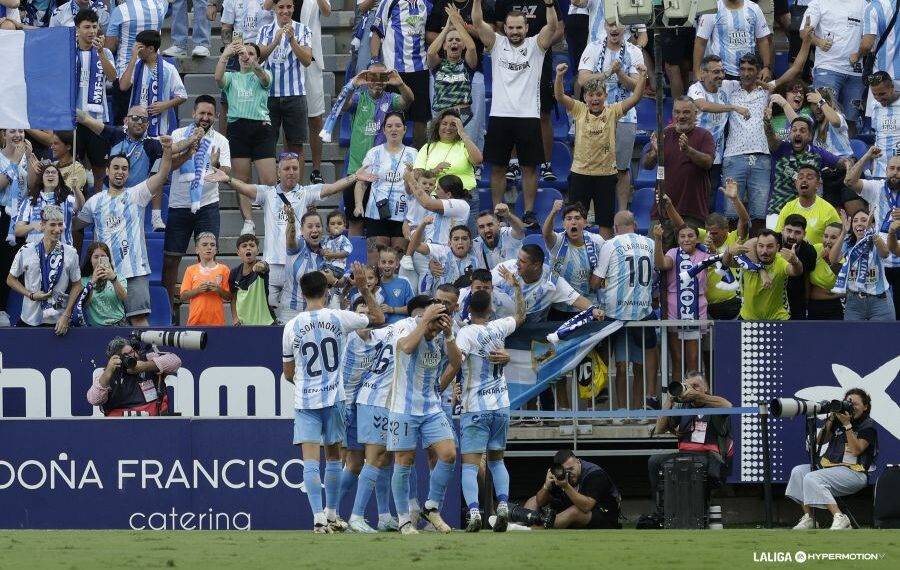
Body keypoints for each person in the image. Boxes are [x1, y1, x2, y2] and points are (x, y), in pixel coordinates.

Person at [283, 264, 384, 533]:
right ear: (326, 292)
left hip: (305, 402)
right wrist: (364, 288)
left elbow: (288, 373)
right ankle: (332, 513)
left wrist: (306, 384)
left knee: (310, 461)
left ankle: (319, 517)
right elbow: (378, 318)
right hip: (335, 398)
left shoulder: (291, 327)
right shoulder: (340, 317)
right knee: (334, 458)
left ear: (303, 294)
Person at [206, 155, 376, 311]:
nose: (291, 172)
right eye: (287, 169)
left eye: (295, 168)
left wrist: (355, 177)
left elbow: (332, 188)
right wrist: (227, 179)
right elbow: (245, 188)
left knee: (295, 311)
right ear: (278, 172)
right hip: (271, 265)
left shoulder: (306, 193)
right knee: (268, 312)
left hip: (297, 265)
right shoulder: (268, 193)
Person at [473, 0, 558, 226]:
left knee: (529, 167)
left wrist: (549, 5)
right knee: (498, 167)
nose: (514, 31)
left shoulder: (535, 45)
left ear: (527, 28)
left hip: (528, 115)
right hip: (500, 115)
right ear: (505, 28)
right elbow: (477, 22)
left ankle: (528, 212)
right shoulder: (496, 43)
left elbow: (552, 27)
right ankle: (497, 211)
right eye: (510, 27)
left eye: (519, 27)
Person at [74, 136, 174, 326]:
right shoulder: (95, 201)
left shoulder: (137, 194)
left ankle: (148, 355)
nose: (120, 172)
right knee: (107, 322)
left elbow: (161, 176)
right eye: (116, 168)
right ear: (107, 171)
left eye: (124, 169)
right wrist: (71, 198)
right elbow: (74, 226)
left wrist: (167, 151)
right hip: (104, 271)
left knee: (138, 319)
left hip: (134, 270)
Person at [456, 271, 526, 532]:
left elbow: (457, 361)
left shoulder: (466, 334)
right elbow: (520, 316)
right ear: (490, 308)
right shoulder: (498, 328)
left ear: (469, 308)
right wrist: (517, 288)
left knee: (470, 465)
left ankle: (474, 511)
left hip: (475, 406)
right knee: (497, 460)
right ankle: (504, 506)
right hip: (501, 404)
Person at [386, 296, 459, 535]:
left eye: (442, 323)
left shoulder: (442, 335)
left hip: (431, 407)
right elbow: (406, 348)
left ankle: (431, 507)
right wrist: (424, 322)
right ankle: (404, 519)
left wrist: (448, 335)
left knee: (448, 454)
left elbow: (456, 362)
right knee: (404, 462)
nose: (437, 328)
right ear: (427, 317)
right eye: (435, 322)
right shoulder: (405, 326)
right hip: (403, 408)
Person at [555, 61, 644, 238]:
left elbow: (635, 98)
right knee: (576, 219)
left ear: (605, 96)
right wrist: (559, 76)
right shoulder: (579, 109)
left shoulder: (613, 111)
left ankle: (605, 259)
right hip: (580, 173)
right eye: (590, 95)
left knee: (605, 221)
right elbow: (559, 96)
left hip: (606, 175)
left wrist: (642, 76)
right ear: (585, 97)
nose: (595, 99)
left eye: (598, 94)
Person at [162, 95, 231, 309]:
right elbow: (169, 166)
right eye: (201, 113)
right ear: (193, 113)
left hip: (207, 205)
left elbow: (226, 171)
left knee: (208, 256)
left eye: (210, 114)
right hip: (179, 205)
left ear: (215, 116)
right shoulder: (178, 135)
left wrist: (215, 164)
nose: (205, 117)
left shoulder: (221, 140)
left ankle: (209, 307)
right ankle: (169, 307)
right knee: (172, 259)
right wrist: (190, 145)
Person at [341, 298, 402, 533]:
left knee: (375, 459)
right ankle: (332, 514)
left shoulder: (378, 338)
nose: (364, 319)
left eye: (368, 314)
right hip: (345, 406)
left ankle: (384, 515)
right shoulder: (350, 340)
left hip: (362, 405)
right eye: (360, 314)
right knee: (351, 463)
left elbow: (384, 324)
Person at [589, 211, 657, 415]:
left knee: (619, 365)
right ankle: (640, 408)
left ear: (615, 228)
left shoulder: (611, 244)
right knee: (638, 364)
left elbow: (595, 282)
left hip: (615, 312)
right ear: (635, 225)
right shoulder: (650, 243)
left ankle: (617, 410)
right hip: (642, 311)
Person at [577, 21, 646, 217]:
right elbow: (582, 80)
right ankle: (590, 212)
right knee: (592, 166)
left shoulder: (634, 51)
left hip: (625, 114)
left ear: (625, 28)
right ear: (604, 27)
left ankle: (622, 213)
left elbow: (636, 86)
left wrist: (620, 73)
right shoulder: (594, 47)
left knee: (622, 168)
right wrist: (607, 73)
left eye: (618, 25)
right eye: (610, 25)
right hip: (596, 115)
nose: (614, 29)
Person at [494, 0, 565, 184]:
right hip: (511, 57)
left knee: (543, 113)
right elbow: (500, 26)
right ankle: (514, 162)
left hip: (539, 55)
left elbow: (558, 28)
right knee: (512, 111)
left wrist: (541, 43)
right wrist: (518, 45)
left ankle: (546, 164)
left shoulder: (547, 1)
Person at [787, 388, 878, 530]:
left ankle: (840, 518)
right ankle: (810, 518)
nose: (851, 407)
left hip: (855, 473)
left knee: (812, 478)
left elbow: (856, 450)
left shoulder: (868, 425)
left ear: (865, 407)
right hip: (832, 469)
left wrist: (847, 425)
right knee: (798, 472)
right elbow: (819, 441)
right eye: (847, 403)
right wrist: (831, 418)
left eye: (855, 404)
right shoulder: (837, 420)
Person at [648, 371, 733, 512]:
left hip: (709, 455)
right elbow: (659, 429)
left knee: (698, 464)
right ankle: (661, 507)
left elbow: (728, 406)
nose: (692, 390)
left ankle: (699, 508)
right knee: (654, 461)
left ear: (705, 387)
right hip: (684, 454)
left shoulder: (713, 404)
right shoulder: (682, 407)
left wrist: (699, 396)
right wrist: (669, 400)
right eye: (688, 387)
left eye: (696, 386)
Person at [344, 64, 414, 236]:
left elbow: (409, 100)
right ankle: (357, 262)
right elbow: (342, 104)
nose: (378, 81)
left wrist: (400, 84)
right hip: (357, 171)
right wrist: (354, 83)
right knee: (356, 221)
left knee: (381, 225)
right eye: (373, 77)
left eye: (382, 77)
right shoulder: (359, 98)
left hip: (381, 177)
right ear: (367, 78)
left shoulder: (392, 99)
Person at [215, 41, 276, 237]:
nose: (246, 56)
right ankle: (248, 221)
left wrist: (252, 62)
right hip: (237, 128)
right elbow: (218, 78)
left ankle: (273, 218)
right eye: (243, 53)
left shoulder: (262, 74)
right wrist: (226, 55)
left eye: (251, 53)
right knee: (242, 179)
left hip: (261, 127)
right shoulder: (231, 77)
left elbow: (264, 79)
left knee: (269, 180)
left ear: (257, 58)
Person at [257, 0, 313, 181]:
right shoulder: (264, 30)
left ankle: (295, 189)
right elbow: (257, 59)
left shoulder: (303, 30)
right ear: (274, 8)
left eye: (289, 7)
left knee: (296, 147)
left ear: (294, 8)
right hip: (268, 96)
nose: (285, 11)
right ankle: (268, 189)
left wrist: (292, 40)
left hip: (295, 95)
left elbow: (306, 60)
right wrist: (276, 41)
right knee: (266, 146)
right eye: (281, 7)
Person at [75, 107, 163, 218]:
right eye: (135, 118)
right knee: (102, 229)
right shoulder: (116, 135)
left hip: (135, 199)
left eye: (144, 119)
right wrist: (72, 108)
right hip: (109, 194)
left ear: (148, 124)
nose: (140, 122)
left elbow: (175, 148)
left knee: (131, 234)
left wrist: (191, 140)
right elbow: (86, 119)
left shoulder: (152, 145)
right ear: (126, 120)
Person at [844, 147, 900, 318]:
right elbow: (849, 181)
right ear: (886, 170)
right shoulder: (877, 187)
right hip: (880, 263)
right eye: (892, 169)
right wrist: (867, 156)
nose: (895, 173)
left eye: (899, 170)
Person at [425, 0, 489, 150]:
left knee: (466, 149)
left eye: (458, 40)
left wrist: (459, 25)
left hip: (465, 116)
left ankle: (474, 170)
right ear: (445, 45)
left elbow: (472, 48)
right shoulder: (437, 65)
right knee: (441, 149)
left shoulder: (468, 65)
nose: (454, 42)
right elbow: (430, 52)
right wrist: (447, 28)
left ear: (463, 45)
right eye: (450, 41)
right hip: (441, 115)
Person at [689, 55, 752, 207]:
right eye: (716, 72)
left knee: (709, 199)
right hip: (695, 153)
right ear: (703, 73)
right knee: (694, 195)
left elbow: (749, 81)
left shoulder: (727, 85)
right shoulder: (695, 89)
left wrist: (768, 83)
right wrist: (733, 107)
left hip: (716, 156)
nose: (721, 76)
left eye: (722, 71)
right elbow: (703, 106)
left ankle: (706, 230)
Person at [642, 98, 716, 226]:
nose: (681, 116)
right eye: (677, 112)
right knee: (658, 246)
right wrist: (655, 152)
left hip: (692, 212)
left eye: (686, 112)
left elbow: (708, 162)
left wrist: (688, 150)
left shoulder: (704, 135)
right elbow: (646, 165)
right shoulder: (663, 134)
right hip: (662, 213)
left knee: (689, 246)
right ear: (672, 113)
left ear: (695, 114)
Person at [370, 0, 432, 148]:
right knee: (392, 117)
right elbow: (377, 32)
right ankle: (391, 155)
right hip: (393, 71)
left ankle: (418, 159)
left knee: (421, 119)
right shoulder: (389, 2)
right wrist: (374, 62)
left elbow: (430, 32)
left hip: (420, 69)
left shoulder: (427, 4)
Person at [5, 205, 80, 327]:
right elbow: (10, 279)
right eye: (52, 224)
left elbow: (77, 285)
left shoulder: (71, 253)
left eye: (60, 224)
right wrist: (31, 295)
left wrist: (67, 315)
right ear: (43, 225)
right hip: (29, 318)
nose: (57, 229)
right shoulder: (26, 250)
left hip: (58, 321)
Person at [354, 112, 418, 253]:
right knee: (373, 262)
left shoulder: (414, 154)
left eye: (398, 126)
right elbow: (361, 182)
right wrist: (358, 204)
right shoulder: (373, 152)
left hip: (404, 214)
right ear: (384, 130)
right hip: (375, 213)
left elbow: (417, 186)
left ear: (405, 129)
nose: (393, 129)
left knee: (398, 261)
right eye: (389, 126)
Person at [492, 243, 603, 324]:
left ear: (536, 266)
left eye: (522, 261)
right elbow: (481, 283)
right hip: (501, 324)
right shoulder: (506, 269)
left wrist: (593, 310)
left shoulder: (552, 281)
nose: (517, 263)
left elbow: (577, 299)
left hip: (529, 332)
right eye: (518, 259)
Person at [653, 224, 710, 379]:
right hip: (674, 314)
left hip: (696, 313)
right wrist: (658, 240)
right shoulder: (673, 253)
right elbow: (661, 264)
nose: (686, 239)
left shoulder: (704, 255)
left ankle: (693, 399)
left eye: (690, 236)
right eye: (682, 236)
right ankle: (677, 400)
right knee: (677, 360)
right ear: (677, 239)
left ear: (697, 238)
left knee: (692, 360)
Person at [766, 116, 848, 222]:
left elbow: (842, 163)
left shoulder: (817, 154)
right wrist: (767, 123)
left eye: (802, 131)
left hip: (806, 213)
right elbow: (770, 136)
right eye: (794, 130)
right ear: (790, 134)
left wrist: (850, 163)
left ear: (810, 136)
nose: (798, 133)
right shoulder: (780, 149)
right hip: (777, 211)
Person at [805, 0, 866, 139]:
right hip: (828, 68)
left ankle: (848, 156)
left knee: (851, 120)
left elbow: (869, 35)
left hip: (855, 72)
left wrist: (859, 54)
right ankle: (822, 157)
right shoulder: (817, 3)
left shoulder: (863, 3)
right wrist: (819, 42)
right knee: (822, 116)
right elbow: (804, 33)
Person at [518, 449, 621, 529]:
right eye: (565, 471)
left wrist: (566, 486)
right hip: (569, 508)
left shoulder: (595, 474)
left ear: (578, 462)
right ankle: (515, 526)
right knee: (533, 500)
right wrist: (546, 486)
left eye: (571, 469)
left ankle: (532, 529)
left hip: (603, 514)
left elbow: (586, 506)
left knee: (574, 511)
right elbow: (540, 502)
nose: (569, 474)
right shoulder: (558, 474)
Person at [73, 8, 116, 196]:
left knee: (100, 169)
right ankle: (77, 215)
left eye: (94, 27)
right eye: (87, 27)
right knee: (74, 169)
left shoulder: (104, 51)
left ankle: (98, 209)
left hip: (98, 119)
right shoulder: (68, 52)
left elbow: (113, 77)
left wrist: (101, 54)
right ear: (77, 29)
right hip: (72, 119)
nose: (91, 31)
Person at [413, 108, 482, 224]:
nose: (448, 128)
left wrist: (463, 134)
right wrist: (434, 171)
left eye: (453, 125)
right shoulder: (428, 147)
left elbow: (478, 160)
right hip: (438, 200)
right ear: (438, 126)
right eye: (444, 124)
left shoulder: (464, 145)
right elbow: (416, 175)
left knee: (467, 238)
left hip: (466, 197)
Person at [86, 335, 183, 416]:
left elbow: (176, 361)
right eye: (126, 355)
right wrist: (108, 373)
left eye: (132, 351)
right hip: (118, 427)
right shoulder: (106, 373)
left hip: (154, 422)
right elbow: (94, 399)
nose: (132, 356)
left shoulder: (147, 358)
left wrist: (145, 366)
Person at [119, 30, 187, 140]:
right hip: (136, 125)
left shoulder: (168, 69)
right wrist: (133, 57)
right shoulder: (136, 65)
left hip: (160, 128)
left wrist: (165, 105)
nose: (136, 50)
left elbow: (182, 96)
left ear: (150, 49)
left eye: (139, 47)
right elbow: (123, 86)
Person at [828, 209, 895, 321]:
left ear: (872, 223)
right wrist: (844, 232)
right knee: (854, 338)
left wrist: (872, 232)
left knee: (883, 338)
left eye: (864, 220)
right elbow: (833, 260)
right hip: (854, 303)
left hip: (880, 303)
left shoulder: (878, 240)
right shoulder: (848, 243)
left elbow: (885, 253)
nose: (859, 223)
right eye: (855, 221)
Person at [543, 200, 605, 321]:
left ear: (585, 223)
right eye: (569, 218)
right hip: (560, 307)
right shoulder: (558, 242)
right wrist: (554, 212)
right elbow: (546, 233)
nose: (573, 222)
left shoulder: (597, 241)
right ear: (563, 224)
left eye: (577, 218)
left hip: (588, 306)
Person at [729, 229, 804, 320]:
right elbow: (727, 262)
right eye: (761, 246)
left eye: (770, 246)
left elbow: (796, 272)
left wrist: (795, 261)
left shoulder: (781, 261)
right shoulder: (746, 258)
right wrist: (729, 251)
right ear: (756, 246)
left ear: (777, 247)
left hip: (778, 318)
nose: (765, 251)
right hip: (748, 319)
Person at [296, 0, 332, 185]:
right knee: (289, 117)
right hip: (285, 56)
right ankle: (292, 168)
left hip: (311, 57)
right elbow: (268, 7)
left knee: (316, 117)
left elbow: (327, 11)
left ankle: (316, 169)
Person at [55, 241, 127, 333]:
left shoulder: (118, 277)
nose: (99, 260)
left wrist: (113, 278)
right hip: (97, 328)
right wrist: (92, 282)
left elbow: (123, 297)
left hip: (119, 324)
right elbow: (84, 303)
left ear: (108, 259)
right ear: (90, 259)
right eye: (96, 257)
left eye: (103, 256)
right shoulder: (83, 281)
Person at [694, 0, 773, 81]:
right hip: (720, 74)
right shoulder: (712, 10)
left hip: (748, 73)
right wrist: (696, 71)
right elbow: (700, 42)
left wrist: (767, 67)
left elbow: (762, 40)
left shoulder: (754, 8)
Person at [14, 162, 84, 246]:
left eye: (54, 172)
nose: (50, 174)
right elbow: (17, 230)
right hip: (35, 252)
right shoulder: (30, 201)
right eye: (47, 172)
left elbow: (80, 205)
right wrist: (32, 226)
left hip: (63, 251)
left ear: (59, 179)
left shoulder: (67, 199)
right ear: (42, 179)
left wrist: (76, 189)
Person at [409, 218, 480, 294]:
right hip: (437, 301)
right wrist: (423, 224)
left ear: (471, 243)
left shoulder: (475, 260)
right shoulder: (442, 251)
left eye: (464, 239)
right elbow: (416, 245)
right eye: (456, 239)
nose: (460, 242)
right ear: (450, 243)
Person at [775, 165, 841, 246]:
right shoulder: (788, 208)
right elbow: (777, 237)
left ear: (818, 184)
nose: (804, 180)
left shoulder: (829, 211)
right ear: (796, 184)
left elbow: (838, 241)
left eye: (809, 178)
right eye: (800, 177)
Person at [180, 232, 232, 326]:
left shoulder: (224, 269)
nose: (209, 247)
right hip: (195, 322)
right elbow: (183, 296)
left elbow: (229, 296)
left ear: (216, 250)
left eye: (212, 245)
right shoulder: (190, 270)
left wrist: (218, 289)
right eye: (204, 245)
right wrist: (198, 290)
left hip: (217, 322)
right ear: (197, 250)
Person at [104, 0, 167, 78]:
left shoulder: (120, 10)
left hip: (125, 73)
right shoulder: (161, 6)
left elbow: (109, 47)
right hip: (154, 71)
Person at [228, 233, 275, 326]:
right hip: (242, 325)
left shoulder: (262, 267)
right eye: (244, 246)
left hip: (265, 324)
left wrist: (260, 266)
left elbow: (264, 266)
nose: (248, 248)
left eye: (252, 245)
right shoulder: (234, 272)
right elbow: (233, 297)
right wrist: (235, 317)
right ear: (238, 252)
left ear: (257, 251)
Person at [808, 222, 845, 320]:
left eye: (833, 237)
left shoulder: (845, 260)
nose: (827, 241)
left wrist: (828, 260)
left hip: (834, 307)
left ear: (841, 240)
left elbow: (844, 290)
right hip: (811, 306)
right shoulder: (815, 249)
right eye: (825, 236)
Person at [867, 72, 900, 179]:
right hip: (879, 170)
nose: (878, 98)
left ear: (892, 88)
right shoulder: (874, 105)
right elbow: (878, 134)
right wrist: (872, 161)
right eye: (874, 94)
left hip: (897, 170)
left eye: (882, 94)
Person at [472, 205, 525, 270]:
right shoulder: (474, 245)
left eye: (490, 224)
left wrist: (508, 215)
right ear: (477, 230)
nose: (486, 230)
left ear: (498, 224)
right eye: (481, 227)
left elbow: (520, 231)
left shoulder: (508, 234)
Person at [376, 245, 414, 324]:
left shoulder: (404, 282)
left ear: (397, 264)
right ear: (379, 263)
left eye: (391, 262)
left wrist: (392, 309)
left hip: (401, 327)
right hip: (380, 328)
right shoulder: (375, 283)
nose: (387, 265)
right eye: (383, 262)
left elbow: (412, 308)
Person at [322, 211, 353, 279]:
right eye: (332, 224)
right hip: (326, 266)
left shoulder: (344, 240)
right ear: (328, 227)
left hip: (338, 268)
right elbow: (320, 249)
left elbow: (346, 252)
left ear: (344, 226)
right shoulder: (325, 240)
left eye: (339, 223)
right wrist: (323, 252)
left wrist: (332, 255)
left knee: (322, 275)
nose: (336, 226)